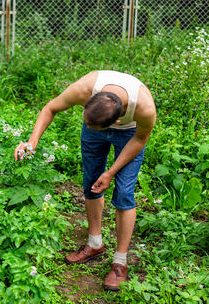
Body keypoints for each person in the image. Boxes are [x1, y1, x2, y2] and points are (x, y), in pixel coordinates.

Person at [14, 70, 156, 290]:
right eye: (85, 121)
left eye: (90, 125)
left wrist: (110, 173)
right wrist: (31, 142)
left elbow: (140, 139)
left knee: (124, 194)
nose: (86, 128)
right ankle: (94, 244)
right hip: (100, 122)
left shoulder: (144, 107)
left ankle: (120, 263)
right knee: (92, 183)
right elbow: (50, 108)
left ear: (115, 120)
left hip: (130, 134)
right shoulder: (85, 88)